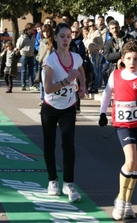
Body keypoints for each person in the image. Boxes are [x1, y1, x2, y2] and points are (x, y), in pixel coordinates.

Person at [98, 40, 137, 220]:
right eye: (129, 58)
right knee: (130, 160)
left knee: (136, 165)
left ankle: (128, 202)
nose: (132, 62)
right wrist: (102, 113)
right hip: (123, 125)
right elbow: (107, 94)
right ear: (123, 59)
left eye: (136, 59)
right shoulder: (116, 75)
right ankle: (120, 200)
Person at [41, 23, 86, 203]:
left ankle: (69, 183)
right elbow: (48, 88)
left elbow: (81, 71)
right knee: (49, 145)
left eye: (68, 36)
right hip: (50, 107)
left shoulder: (76, 58)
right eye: (62, 36)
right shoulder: (50, 61)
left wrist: (83, 86)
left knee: (68, 145)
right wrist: (67, 80)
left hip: (68, 106)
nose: (66, 40)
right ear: (56, 38)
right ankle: (53, 181)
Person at [36, 24, 55, 106]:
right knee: (42, 84)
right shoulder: (42, 41)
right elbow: (40, 52)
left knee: (46, 84)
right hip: (42, 64)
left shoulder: (53, 41)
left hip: (49, 65)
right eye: (44, 32)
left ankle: (47, 100)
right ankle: (43, 99)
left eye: (47, 32)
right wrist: (38, 58)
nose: (46, 33)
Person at [17, 23, 37, 91]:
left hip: (31, 55)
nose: (33, 30)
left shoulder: (33, 36)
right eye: (32, 28)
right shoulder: (23, 37)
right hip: (24, 55)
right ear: (28, 29)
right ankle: (23, 85)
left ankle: (31, 85)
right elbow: (18, 46)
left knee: (31, 71)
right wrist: (21, 50)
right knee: (24, 71)